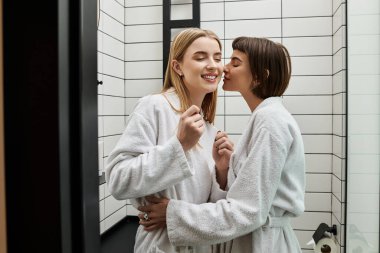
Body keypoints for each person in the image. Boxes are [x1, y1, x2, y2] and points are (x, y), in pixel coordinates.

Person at [138, 37, 306, 253]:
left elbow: (249, 210)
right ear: (177, 67)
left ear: (260, 76)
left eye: (234, 63)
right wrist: (223, 170)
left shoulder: (269, 120)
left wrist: (173, 214)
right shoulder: (264, 117)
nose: (223, 67)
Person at [105, 28, 234, 253]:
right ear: (177, 67)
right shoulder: (154, 107)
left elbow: (206, 203)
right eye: (200, 57)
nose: (213, 65)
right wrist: (179, 145)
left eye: (217, 57)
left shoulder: (208, 127)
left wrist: (222, 174)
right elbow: (117, 180)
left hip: (200, 242)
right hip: (163, 245)